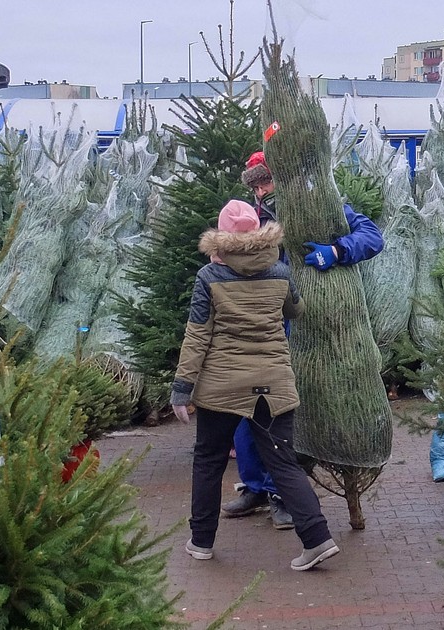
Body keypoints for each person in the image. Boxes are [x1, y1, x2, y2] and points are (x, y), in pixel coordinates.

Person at [171, 199, 339, 571]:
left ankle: (200, 542)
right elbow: (296, 310)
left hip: (221, 387)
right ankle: (318, 539)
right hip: (273, 384)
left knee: (209, 461)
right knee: (283, 462)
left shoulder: (209, 278)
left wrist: (182, 388)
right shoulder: (280, 271)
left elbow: (197, 336)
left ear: (220, 239)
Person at [222, 151, 384, 529]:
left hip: (312, 324)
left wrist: (337, 251)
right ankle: (255, 486)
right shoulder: (254, 219)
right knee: (250, 406)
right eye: (256, 185)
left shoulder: (323, 207)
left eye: (266, 181)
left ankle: (284, 492)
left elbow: (371, 237)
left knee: (287, 412)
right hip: (266, 325)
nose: (261, 191)